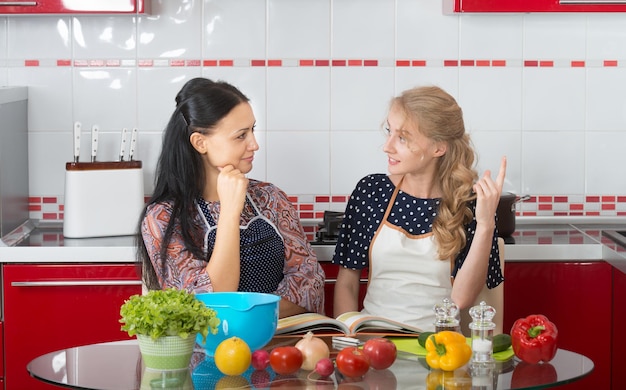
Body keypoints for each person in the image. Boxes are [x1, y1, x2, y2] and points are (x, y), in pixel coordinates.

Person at [138, 77, 325, 318]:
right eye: (240, 135)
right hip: (206, 352)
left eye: (252, 130)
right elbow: (207, 303)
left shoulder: (270, 197)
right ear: (200, 142)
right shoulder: (162, 218)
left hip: (280, 346)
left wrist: (249, 320)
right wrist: (229, 212)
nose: (254, 144)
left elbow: (309, 281)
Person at [332, 85, 506, 331]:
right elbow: (347, 283)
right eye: (389, 131)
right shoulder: (371, 191)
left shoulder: (468, 204)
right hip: (372, 341)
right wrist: (349, 343)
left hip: (437, 347)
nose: (387, 146)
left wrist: (486, 224)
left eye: (402, 137)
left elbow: (462, 299)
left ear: (438, 148)